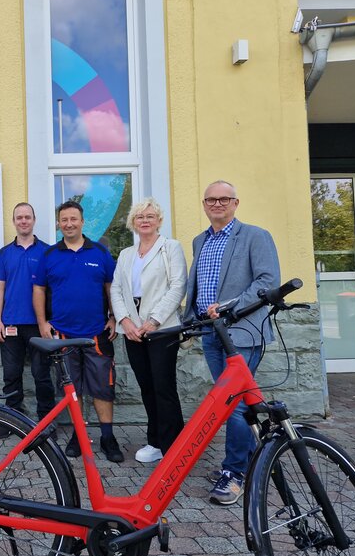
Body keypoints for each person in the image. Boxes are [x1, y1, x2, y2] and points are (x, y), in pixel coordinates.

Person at [185, 180, 280, 505]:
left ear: (235, 203)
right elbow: (198, 284)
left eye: (224, 199)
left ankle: (235, 472)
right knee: (231, 402)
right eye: (211, 199)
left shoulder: (255, 236)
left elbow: (267, 281)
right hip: (211, 332)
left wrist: (229, 306)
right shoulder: (200, 240)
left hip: (242, 333)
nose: (217, 204)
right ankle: (252, 462)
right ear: (204, 204)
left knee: (236, 403)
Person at [32, 200, 123, 463]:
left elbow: (111, 287)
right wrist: (42, 322)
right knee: (72, 388)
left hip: (97, 333)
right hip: (62, 334)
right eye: (64, 220)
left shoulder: (100, 252)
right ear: (59, 224)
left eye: (74, 219)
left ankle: (107, 437)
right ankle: (78, 435)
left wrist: (114, 316)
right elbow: (38, 289)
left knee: (103, 388)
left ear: (82, 222)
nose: (69, 224)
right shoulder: (49, 255)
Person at [110, 198, 187, 464]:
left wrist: (154, 321)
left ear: (159, 221)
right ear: (133, 221)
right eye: (140, 216)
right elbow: (116, 289)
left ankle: (173, 446)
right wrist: (125, 321)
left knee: (164, 387)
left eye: (150, 216)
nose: (145, 220)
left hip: (162, 329)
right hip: (133, 330)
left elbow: (178, 286)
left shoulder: (170, 248)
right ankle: (155, 441)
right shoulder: (126, 254)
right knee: (147, 387)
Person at [0, 203, 55, 438]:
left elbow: (54, 288)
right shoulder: (5, 253)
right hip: (10, 324)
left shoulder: (48, 252)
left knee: (42, 375)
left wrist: (51, 321)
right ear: (14, 221)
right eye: (19, 217)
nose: (23, 221)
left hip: (39, 325)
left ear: (34, 220)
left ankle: (46, 423)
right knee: (11, 375)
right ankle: (12, 421)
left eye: (27, 217)